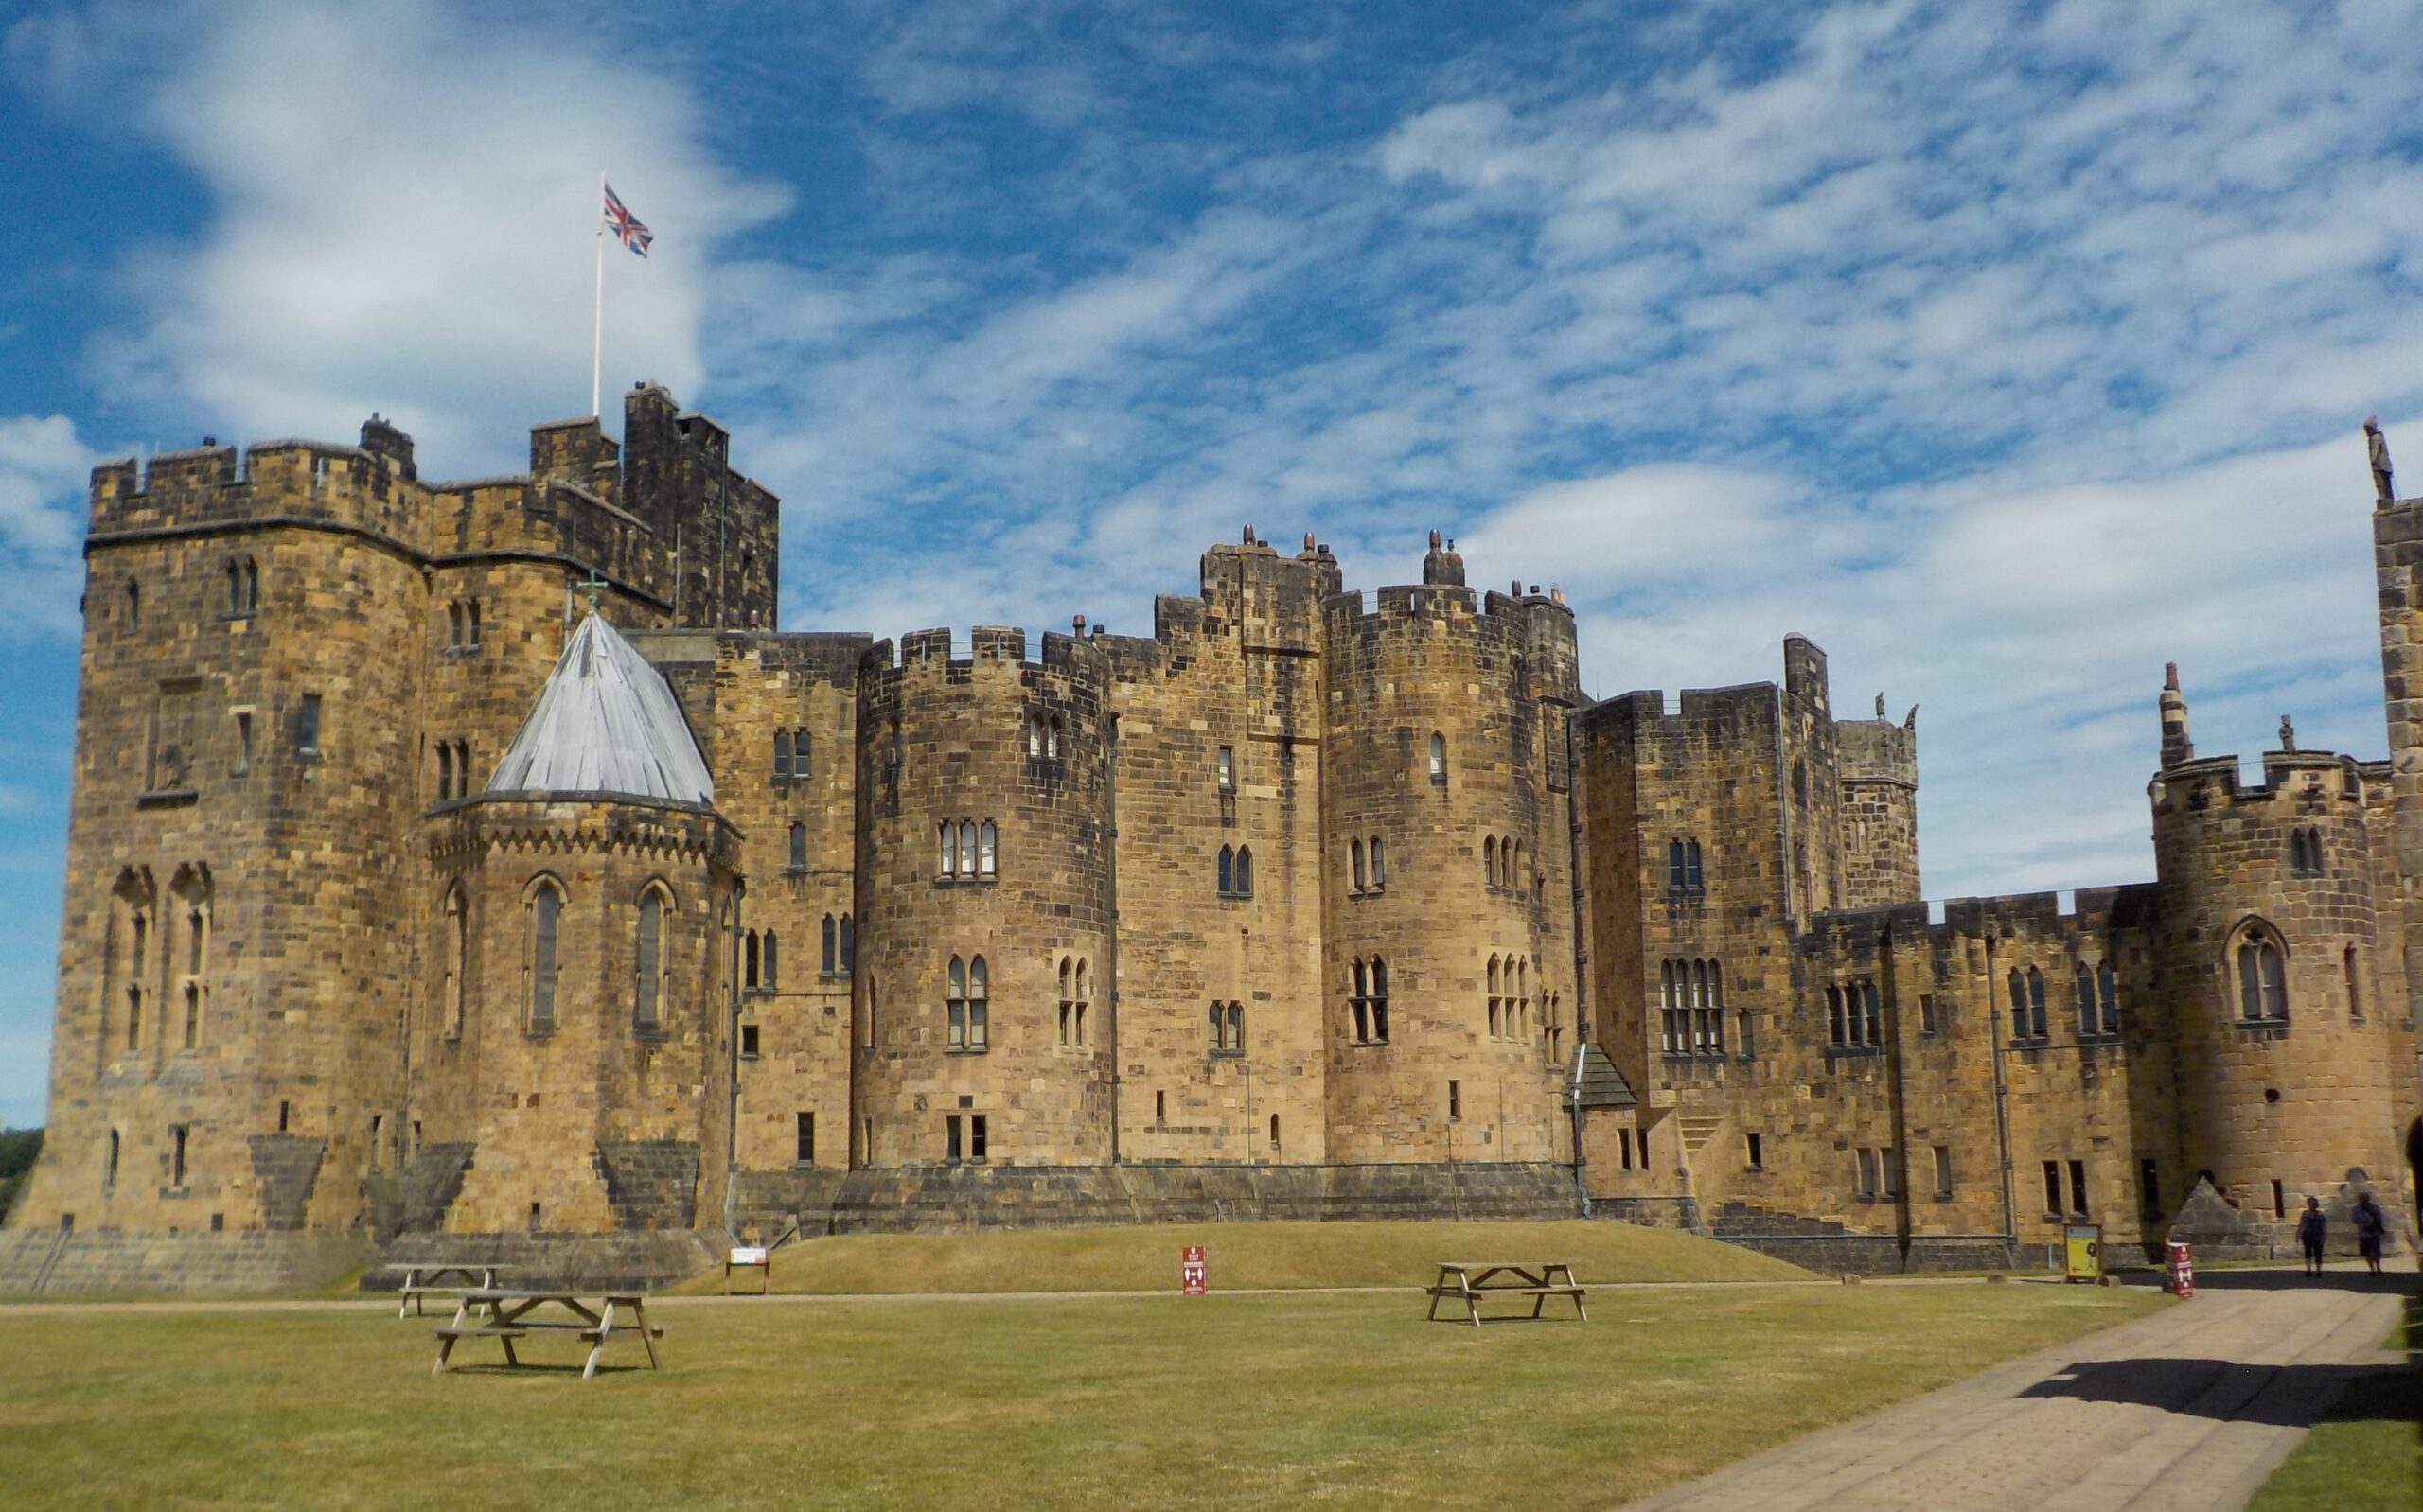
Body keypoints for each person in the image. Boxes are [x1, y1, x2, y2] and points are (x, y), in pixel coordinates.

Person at [2351, 1192, 2387, 1276]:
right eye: (2361, 1198)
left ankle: (2378, 1267)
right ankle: (2372, 1269)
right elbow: (2354, 1220)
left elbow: (2379, 1218)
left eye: (2364, 1198)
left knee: (2376, 1251)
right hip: (2363, 1233)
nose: (2363, 1200)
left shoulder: (2374, 1208)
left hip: (2374, 1232)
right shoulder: (2356, 1209)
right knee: (2366, 1252)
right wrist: (2365, 1221)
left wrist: (2379, 1227)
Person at [2295, 1196, 2327, 1277]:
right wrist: (2298, 1234)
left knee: (2318, 1253)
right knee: (2307, 1252)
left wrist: (2324, 1236)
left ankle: (2318, 1270)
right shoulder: (2305, 1213)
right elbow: (2302, 1224)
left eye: (2313, 1203)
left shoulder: (2320, 1214)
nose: (2312, 1205)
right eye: (2310, 1203)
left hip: (2318, 1235)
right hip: (2307, 1235)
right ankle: (2308, 1270)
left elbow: (2324, 1226)